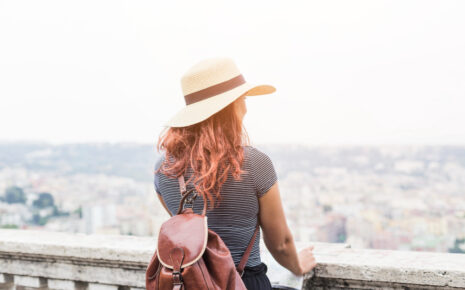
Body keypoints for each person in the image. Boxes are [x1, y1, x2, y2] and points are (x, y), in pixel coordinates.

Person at [153, 57, 316, 289]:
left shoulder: (164, 169)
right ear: (232, 107)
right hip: (244, 281)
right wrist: (298, 267)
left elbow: (187, 228)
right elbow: (280, 243)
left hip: (192, 283)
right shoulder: (253, 162)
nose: (246, 107)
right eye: (244, 99)